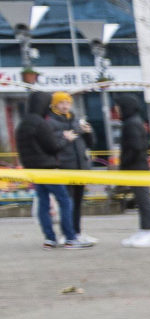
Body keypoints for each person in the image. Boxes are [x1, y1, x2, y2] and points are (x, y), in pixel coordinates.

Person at [19, 93, 92, 248]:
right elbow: (53, 146)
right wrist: (65, 138)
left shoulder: (23, 123)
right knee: (65, 201)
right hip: (49, 168)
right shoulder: (42, 123)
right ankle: (70, 238)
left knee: (44, 205)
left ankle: (50, 239)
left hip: (33, 170)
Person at [116, 104, 150, 247]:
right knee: (141, 200)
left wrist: (125, 163)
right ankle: (144, 230)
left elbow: (136, 147)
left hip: (137, 167)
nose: (116, 109)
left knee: (144, 199)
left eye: (117, 106)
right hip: (137, 166)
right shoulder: (134, 121)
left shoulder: (131, 123)